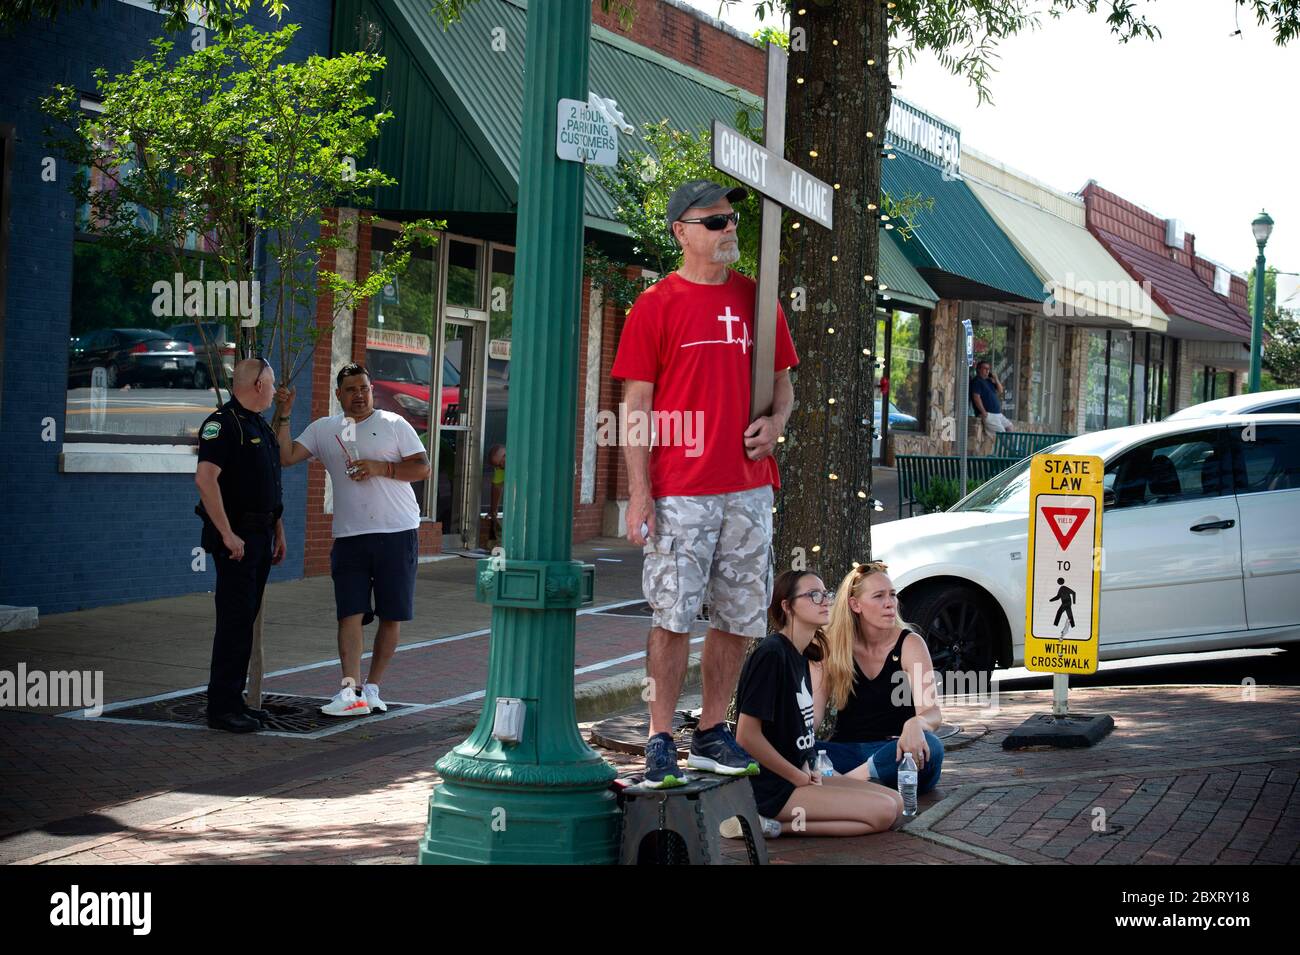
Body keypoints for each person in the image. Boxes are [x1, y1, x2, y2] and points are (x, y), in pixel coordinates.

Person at [612, 178, 799, 788]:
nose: (728, 231)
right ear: (682, 232)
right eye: (714, 222)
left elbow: (785, 388)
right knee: (672, 615)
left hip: (748, 487)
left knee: (739, 617)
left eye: (731, 221)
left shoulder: (758, 298)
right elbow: (635, 407)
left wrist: (774, 424)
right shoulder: (655, 305)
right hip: (682, 489)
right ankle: (661, 734)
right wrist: (639, 492)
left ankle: (712, 731)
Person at [274, 363, 431, 716]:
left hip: (397, 532)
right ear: (338, 395)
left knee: (392, 615)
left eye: (364, 388)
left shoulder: (394, 424)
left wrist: (381, 468)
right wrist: (283, 414)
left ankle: (373, 688)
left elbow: (422, 467)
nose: (359, 395)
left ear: (371, 389)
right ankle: (351, 691)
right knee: (349, 613)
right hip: (350, 535)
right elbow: (285, 457)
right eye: (350, 390)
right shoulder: (324, 429)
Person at [728, 570, 903, 838]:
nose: (825, 601)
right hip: (772, 787)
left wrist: (807, 768)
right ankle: (759, 821)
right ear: (787, 606)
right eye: (813, 595)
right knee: (883, 813)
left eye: (826, 594)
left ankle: (768, 825)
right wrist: (796, 777)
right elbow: (746, 736)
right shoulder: (771, 655)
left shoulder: (803, 654)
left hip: (801, 775)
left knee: (897, 804)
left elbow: (798, 732)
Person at [195, 358, 286, 734]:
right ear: (259, 384)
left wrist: (278, 531)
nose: (277, 389)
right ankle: (221, 707)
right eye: (273, 382)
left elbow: (268, 486)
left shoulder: (260, 425)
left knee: (244, 622)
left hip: (262, 537)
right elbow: (205, 480)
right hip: (237, 541)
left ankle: (236, 702)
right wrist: (228, 533)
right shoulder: (223, 424)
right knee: (233, 623)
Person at [811, 561, 944, 795]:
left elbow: (932, 713)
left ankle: (845, 785)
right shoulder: (832, 646)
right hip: (847, 752)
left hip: (896, 752)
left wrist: (915, 723)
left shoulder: (910, 644)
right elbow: (814, 716)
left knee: (933, 747)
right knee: (788, 750)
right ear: (855, 604)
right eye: (879, 596)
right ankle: (862, 782)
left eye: (892, 595)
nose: (890, 603)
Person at [969, 360, 1012, 451]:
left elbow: (1000, 390)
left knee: (1010, 427)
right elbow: (976, 397)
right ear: (979, 369)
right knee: (1002, 434)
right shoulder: (977, 381)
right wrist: (983, 412)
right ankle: (1010, 451)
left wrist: (996, 379)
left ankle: (1010, 449)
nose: (987, 370)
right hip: (989, 414)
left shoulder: (989, 381)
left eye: (988, 369)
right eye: (985, 368)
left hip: (998, 414)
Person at [486, 444, 506, 543]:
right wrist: (493, 511)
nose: (500, 467)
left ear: (505, 455)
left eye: (500, 463)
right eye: (497, 465)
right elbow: (496, 487)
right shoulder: (500, 469)